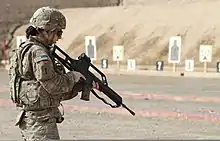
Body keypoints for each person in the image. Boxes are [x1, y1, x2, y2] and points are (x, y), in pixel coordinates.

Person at [8, 6, 99, 141]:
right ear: (46, 31)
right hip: (40, 124)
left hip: (34, 120)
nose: (59, 38)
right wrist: (73, 76)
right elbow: (53, 85)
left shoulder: (28, 49)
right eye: (58, 33)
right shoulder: (39, 53)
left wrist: (80, 86)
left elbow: (49, 92)